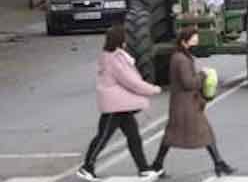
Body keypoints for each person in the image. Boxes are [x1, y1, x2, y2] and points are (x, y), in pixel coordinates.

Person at [77, 25, 162, 181]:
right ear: (120, 40)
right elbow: (131, 82)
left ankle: (143, 168)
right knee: (103, 137)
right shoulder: (114, 59)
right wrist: (153, 89)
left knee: (134, 137)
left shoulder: (114, 56)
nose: (127, 41)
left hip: (121, 106)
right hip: (114, 106)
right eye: (124, 38)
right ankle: (87, 167)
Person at [151, 28, 234, 177]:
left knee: (173, 135)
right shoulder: (181, 59)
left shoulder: (181, 56)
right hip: (186, 105)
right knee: (202, 133)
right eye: (194, 38)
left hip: (183, 104)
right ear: (184, 41)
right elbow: (188, 83)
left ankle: (157, 164)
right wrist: (203, 75)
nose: (197, 40)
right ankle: (219, 163)